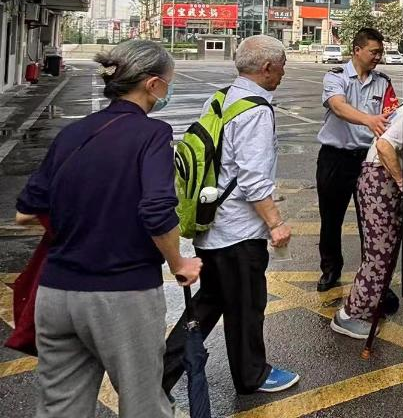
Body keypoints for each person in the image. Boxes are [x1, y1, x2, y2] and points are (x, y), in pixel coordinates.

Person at [14, 40, 202, 418]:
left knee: (59, 408)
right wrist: (179, 262)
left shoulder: (73, 133)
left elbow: (25, 212)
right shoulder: (152, 134)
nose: (169, 88)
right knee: (143, 405)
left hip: (56, 294)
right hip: (121, 294)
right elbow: (155, 210)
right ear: (152, 84)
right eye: (168, 81)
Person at [162, 35, 299, 396]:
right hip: (239, 232)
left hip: (213, 224)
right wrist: (275, 223)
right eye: (282, 64)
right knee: (247, 307)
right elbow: (254, 180)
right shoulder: (255, 110)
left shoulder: (222, 98)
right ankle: (251, 376)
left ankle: (158, 373)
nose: (284, 72)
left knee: (210, 304)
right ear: (267, 67)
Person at [315, 27, 394, 293]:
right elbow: (337, 106)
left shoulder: (383, 82)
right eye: (374, 52)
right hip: (335, 159)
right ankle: (330, 269)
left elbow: (390, 116)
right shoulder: (335, 77)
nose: (378, 57)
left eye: (380, 52)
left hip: (369, 160)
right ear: (357, 50)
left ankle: (372, 277)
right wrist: (369, 120)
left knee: (372, 221)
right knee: (331, 218)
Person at [331, 106, 403, 339]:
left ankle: (369, 306)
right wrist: (402, 181)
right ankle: (350, 315)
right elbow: (384, 146)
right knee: (379, 253)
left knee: (385, 252)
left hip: (380, 181)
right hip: (380, 182)